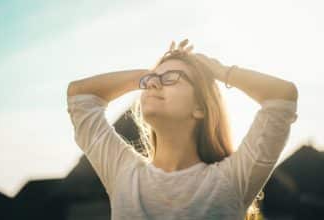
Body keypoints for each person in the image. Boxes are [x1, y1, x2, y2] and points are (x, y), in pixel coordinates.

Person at [66, 39, 298, 220]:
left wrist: (220, 71)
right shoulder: (123, 173)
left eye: (171, 78)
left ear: (200, 108)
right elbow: (80, 95)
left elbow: (281, 96)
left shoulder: (232, 179)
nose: (154, 83)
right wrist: (146, 74)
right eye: (150, 80)